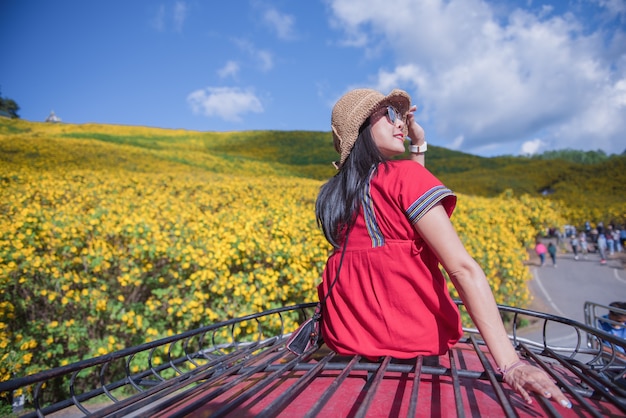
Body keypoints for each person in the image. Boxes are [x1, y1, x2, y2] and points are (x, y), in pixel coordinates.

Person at [315, 88, 571, 408]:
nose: (399, 125)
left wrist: (417, 146)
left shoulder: (333, 196)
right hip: (412, 350)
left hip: (349, 345)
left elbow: (398, 217)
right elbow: (461, 267)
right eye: (386, 116)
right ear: (362, 132)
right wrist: (510, 363)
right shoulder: (403, 176)